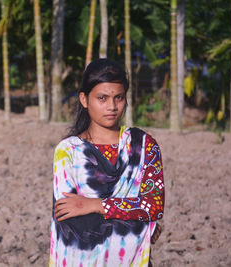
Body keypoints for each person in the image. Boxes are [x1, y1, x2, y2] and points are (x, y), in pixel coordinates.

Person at [49, 58, 164, 267]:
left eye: (118, 98)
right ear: (84, 99)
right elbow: (69, 220)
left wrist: (94, 205)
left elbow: (154, 206)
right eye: (102, 98)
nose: (112, 107)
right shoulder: (69, 151)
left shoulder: (144, 145)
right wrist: (143, 225)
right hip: (82, 258)